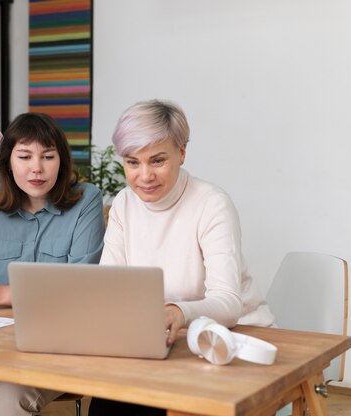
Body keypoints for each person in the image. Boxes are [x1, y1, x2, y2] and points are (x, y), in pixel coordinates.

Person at [87, 99, 274, 416]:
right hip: (165, 342)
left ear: (182, 152)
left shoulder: (211, 204)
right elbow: (111, 287)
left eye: (157, 161)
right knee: (107, 402)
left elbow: (229, 302)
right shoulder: (124, 204)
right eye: (133, 162)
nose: (144, 176)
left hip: (234, 340)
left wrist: (177, 312)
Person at [0, 112, 106, 416]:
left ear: (62, 161)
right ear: (8, 163)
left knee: (8, 398)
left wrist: (1, 293)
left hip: (61, 341)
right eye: (24, 156)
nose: (36, 168)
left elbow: (81, 288)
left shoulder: (86, 200)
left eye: (48, 157)